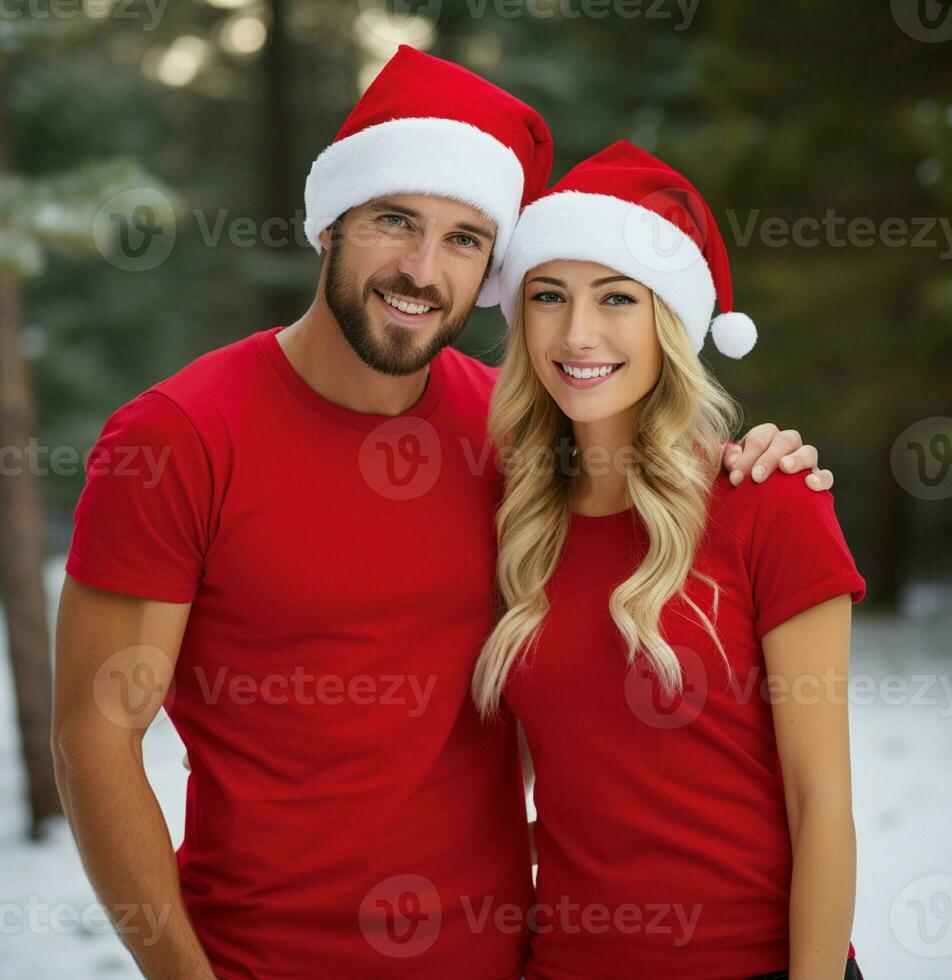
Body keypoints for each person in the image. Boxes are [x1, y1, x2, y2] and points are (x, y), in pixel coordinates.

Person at [52, 47, 836, 980]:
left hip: (509, 960)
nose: (422, 269)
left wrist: (763, 460)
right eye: (395, 220)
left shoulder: (511, 436)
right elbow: (94, 734)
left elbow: (639, 510)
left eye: (466, 239)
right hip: (262, 961)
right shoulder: (180, 437)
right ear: (330, 224)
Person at [473, 141, 866, 980]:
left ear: (672, 323)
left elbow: (822, 800)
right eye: (548, 296)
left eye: (617, 298)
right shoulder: (516, 526)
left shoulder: (770, 500)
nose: (578, 333)